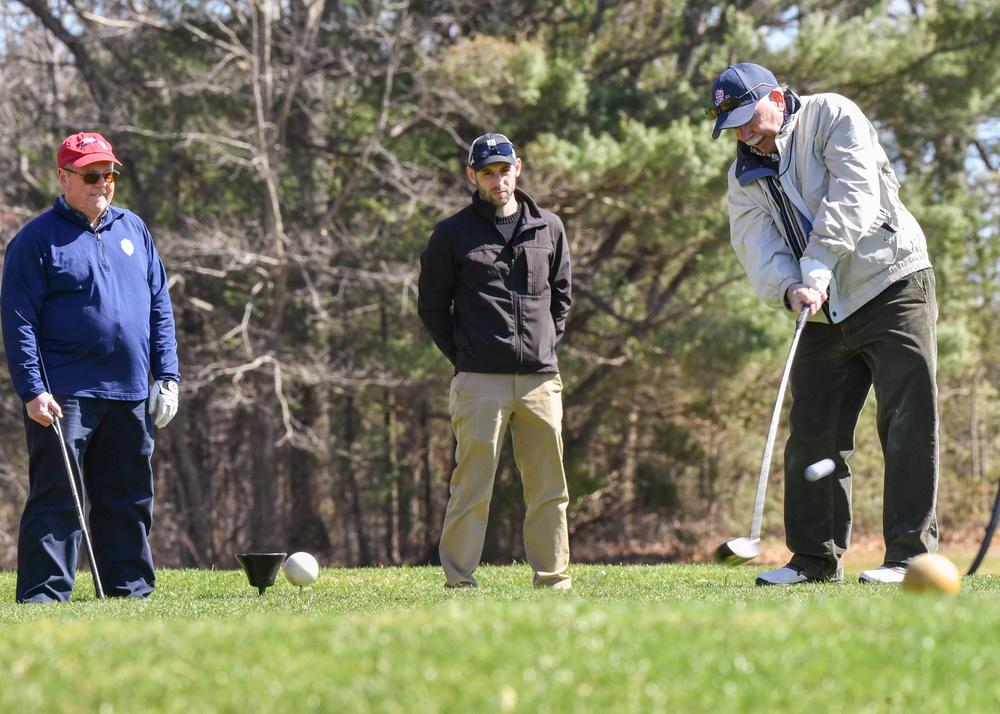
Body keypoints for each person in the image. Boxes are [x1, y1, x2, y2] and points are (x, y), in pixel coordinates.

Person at [707, 63, 939, 586]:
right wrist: (788, 288)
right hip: (819, 305)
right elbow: (756, 246)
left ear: (774, 97)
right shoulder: (743, 175)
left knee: (906, 420)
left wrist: (816, 264)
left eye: (750, 117)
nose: (746, 133)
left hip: (891, 282)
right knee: (813, 432)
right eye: (734, 126)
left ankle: (908, 558)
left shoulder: (832, 115)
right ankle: (813, 560)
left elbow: (854, 194)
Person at [1, 131, 180, 602]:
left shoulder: (134, 230)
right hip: (64, 396)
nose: (103, 183)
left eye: (109, 174)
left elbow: (159, 304)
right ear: (64, 177)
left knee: (128, 496)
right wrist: (32, 389)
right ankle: (44, 596)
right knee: (59, 497)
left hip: (129, 392)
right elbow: (17, 321)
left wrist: (168, 375)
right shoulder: (36, 241)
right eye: (90, 175)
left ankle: (131, 590)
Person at [418, 132, 573, 589]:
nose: (497, 179)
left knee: (549, 488)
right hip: (479, 381)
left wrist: (546, 346)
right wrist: (467, 354)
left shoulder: (550, 228)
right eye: (487, 172)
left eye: (504, 169)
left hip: (540, 382)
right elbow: (431, 308)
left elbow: (561, 299)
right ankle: (459, 582)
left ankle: (553, 578)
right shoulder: (451, 234)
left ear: (517, 168)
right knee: (472, 487)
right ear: (473, 176)